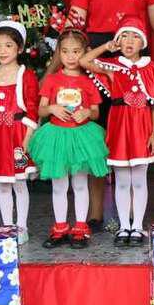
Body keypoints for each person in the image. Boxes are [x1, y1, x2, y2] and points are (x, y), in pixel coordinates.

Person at [67, 0, 154, 232]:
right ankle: (95, 212)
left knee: (132, 131)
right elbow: (76, 25)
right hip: (97, 55)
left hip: (134, 57)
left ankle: (132, 217)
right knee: (97, 133)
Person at [80, 15, 154, 248]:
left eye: (135, 36)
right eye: (124, 36)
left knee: (140, 180)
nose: (129, 40)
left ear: (143, 43)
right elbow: (85, 61)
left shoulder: (150, 68)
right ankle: (124, 225)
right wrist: (106, 47)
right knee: (122, 180)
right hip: (120, 126)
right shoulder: (113, 66)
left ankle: (138, 226)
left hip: (142, 126)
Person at [29, 29, 109, 249]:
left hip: (82, 138)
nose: (71, 56)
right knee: (59, 185)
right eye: (65, 51)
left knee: (80, 184)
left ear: (85, 52)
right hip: (56, 137)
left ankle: (81, 228)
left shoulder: (89, 81)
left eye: (76, 51)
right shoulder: (52, 79)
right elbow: (41, 109)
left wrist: (87, 113)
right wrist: (52, 108)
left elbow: (96, 112)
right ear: (59, 53)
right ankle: (60, 228)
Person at [0, 21, 39, 245]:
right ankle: (7, 227)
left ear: (19, 48)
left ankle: (22, 226)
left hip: (18, 135)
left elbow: (32, 108)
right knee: (2, 183)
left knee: (19, 182)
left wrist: (27, 138)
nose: (2, 51)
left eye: (8, 45)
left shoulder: (26, 75)